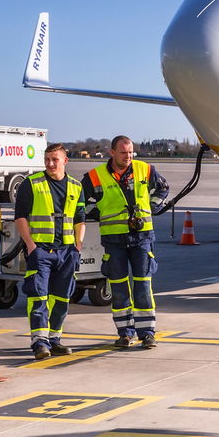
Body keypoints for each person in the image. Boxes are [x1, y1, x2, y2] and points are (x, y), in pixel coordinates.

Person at [82, 136, 169, 349]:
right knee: (119, 289)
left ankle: (147, 333)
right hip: (114, 240)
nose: (128, 157)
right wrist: (96, 212)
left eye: (131, 152)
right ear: (112, 152)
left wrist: (154, 206)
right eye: (123, 153)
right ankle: (125, 332)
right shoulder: (95, 176)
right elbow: (80, 201)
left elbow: (163, 188)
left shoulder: (145, 169)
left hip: (142, 238)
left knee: (143, 286)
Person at [14, 143, 84, 360]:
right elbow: (20, 217)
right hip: (41, 251)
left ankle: (54, 340)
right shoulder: (31, 184)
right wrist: (31, 246)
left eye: (55, 159)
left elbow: (80, 219)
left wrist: (78, 246)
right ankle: (39, 343)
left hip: (67, 252)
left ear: (65, 161)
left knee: (62, 298)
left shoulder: (75, 186)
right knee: (38, 297)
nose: (50, 164)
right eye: (47, 160)